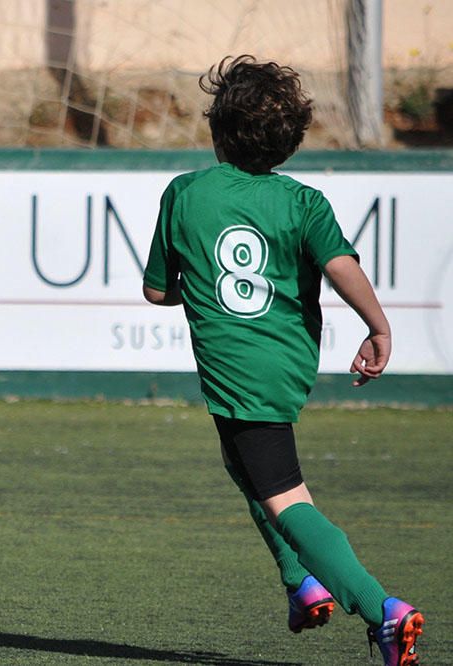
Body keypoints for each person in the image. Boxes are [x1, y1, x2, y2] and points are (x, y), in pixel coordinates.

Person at [142, 55, 423, 665]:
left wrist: (202, 281)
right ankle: (302, 583)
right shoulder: (304, 201)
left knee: (286, 498)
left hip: (237, 370)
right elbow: (341, 265)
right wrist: (378, 326)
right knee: (245, 465)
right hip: (287, 363)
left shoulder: (186, 192)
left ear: (217, 129)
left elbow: (158, 292)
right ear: (290, 141)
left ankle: (382, 610)